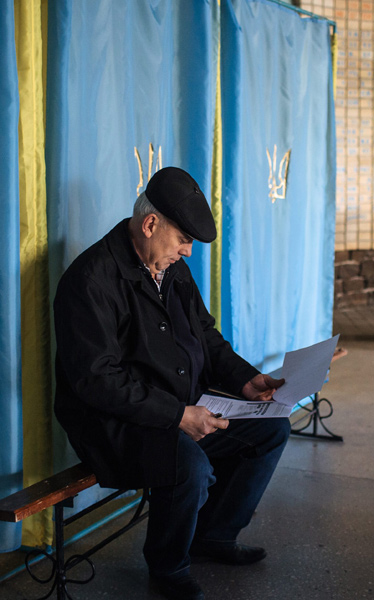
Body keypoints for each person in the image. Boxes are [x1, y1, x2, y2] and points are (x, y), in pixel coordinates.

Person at [53, 167, 290, 600]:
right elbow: (97, 382)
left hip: (178, 409)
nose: (188, 252)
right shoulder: (90, 280)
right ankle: (167, 567)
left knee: (271, 427)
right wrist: (177, 415)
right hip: (113, 424)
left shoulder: (171, 268)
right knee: (189, 466)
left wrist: (246, 380)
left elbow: (206, 336)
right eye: (184, 240)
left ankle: (214, 536)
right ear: (150, 224)